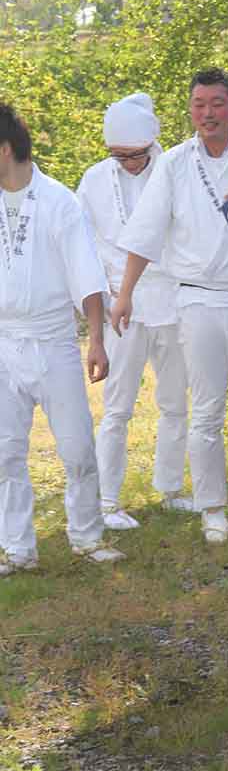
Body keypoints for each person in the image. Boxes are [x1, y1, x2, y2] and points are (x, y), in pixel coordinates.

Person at [110, 69, 228, 543]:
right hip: (197, 298)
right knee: (204, 407)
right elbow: (145, 232)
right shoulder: (175, 165)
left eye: (217, 103)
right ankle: (211, 508)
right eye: (199, 104)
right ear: (190, 110)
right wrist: (124, 294)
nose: (207, 113)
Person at [0, 102, 124, 575]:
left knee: (75, 448)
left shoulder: (59, 203)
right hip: (3, 341)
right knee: (4, 451)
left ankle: (87, 536)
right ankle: (18, 548)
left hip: (52, 341)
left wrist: (96, 340)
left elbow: (85, 276)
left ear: (6, 149)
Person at [77, 93, 191, 529]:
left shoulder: (177, 170)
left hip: (173, 297)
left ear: (151, 143)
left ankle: (170, 489)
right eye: (118, 156)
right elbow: (81, 242)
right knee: (117, 406)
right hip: (117, 304)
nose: (127, 163)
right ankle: (106, 501)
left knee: (174, 402)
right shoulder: (92, 180)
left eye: (135, 155)